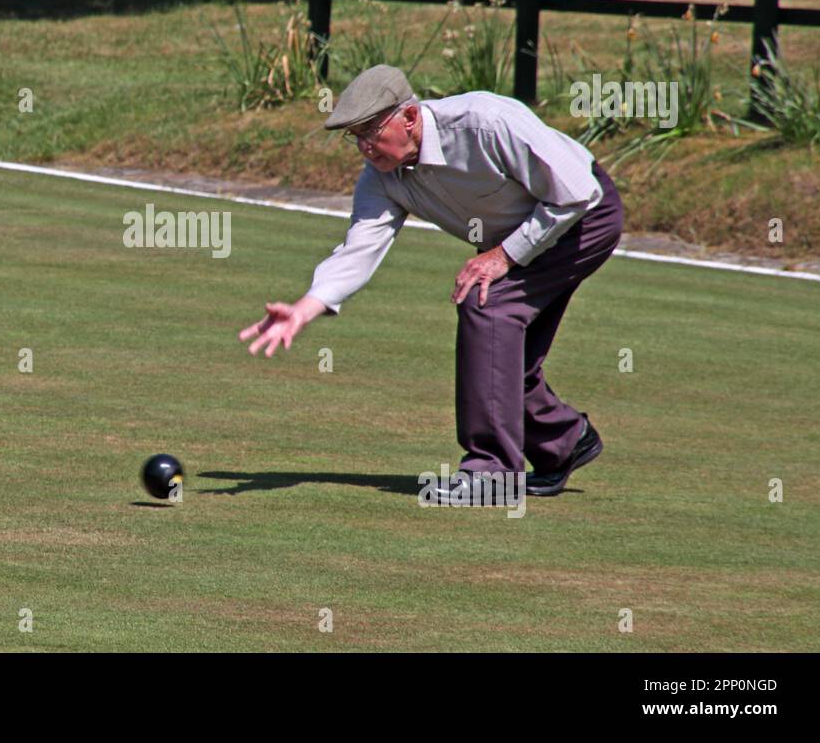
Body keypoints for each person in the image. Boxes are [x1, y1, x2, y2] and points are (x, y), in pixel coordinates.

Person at [238, 65, 623, 499]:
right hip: (526, 229)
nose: (365, 147)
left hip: (581, 215)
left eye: (370, 131)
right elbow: (359, 247)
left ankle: (491, 473)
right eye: (354, 137)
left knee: (488, 303)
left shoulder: (486, 121)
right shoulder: (383, 177)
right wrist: (305, 308)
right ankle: (565, 440)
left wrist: (502, 256)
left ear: (409, 116)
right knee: (504, 350)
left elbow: (575, 191)